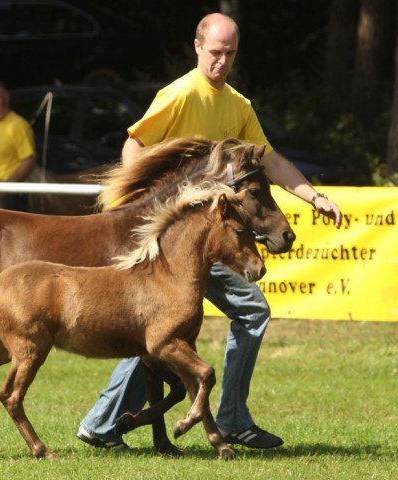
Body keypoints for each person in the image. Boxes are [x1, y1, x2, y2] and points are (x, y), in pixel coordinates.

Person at [77, 12, 342, 451]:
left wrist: (313, 197)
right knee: (182, 325)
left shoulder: (237, 104)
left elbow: (269, 161)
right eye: (215, 52)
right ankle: (223, 420)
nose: (222, 61)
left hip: (212, 239)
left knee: (178, 327)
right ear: (197, 47)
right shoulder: (180, 93)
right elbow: (134, 144)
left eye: (230, 54)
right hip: (174, 239)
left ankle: (106, 423)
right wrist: (137, 206)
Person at [0, 81, 37, 211]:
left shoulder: (18, 125)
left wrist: (7, 186)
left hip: (9, 197)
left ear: (6, 98)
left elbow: (29, 161)